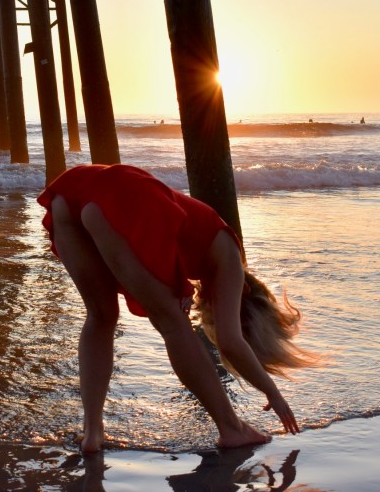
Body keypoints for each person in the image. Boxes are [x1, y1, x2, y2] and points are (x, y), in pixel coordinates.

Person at [38, 164, 321, 452]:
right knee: (173, 323)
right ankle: (232, 429)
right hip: (123, 193)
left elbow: (168, 229)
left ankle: (92, 433)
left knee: (101, 316)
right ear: (248, 295)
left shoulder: (210, 249)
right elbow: (231, 342)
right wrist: (273, 393)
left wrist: (177, 284)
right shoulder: (232, 260)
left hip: (71, 194)